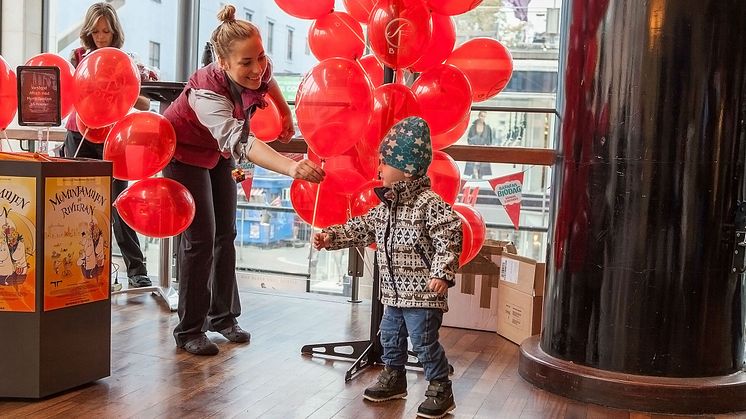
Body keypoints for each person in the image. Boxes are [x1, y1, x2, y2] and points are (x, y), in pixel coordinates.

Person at [162, 5, 324, 356]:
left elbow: (268, 80)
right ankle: (189, 329)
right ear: (223, 63)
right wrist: (291, 168)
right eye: (245, 63)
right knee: (200, 239)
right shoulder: (205, 94)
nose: (256, 68)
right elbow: (244, 143)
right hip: (182, 153)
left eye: (260, 58)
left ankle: (223, 317)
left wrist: (284, 113)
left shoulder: (256, 65)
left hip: (214, 154)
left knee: (226, 234)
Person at [313, 116, 462, 419]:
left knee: (422, 342)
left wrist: (441, 273)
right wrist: (331, 236)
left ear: (406, 169)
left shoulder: (429, 204)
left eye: (383, 163)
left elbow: (450, 233)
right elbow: (361, 228)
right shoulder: (386, 208)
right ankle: (394, 377)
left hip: (422, 295)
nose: (378, 169)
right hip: (393, 294)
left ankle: (440, 388)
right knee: (389, 337)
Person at [62, 2, 157, 288]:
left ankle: (136, 270)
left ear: (115, 32)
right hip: (78, 136)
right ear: (88, 32)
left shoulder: (124, 60)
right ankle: (77, 267)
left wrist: (119, 89)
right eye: (96, 31)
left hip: (113, 139)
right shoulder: (76, 57)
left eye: (107, 31)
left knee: (119, 204)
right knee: (76, 204)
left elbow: (145, 102)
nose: (101, 36)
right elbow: (68, 97)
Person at [463, 111, 495, 179]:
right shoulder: (472, 127)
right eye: (481, 116)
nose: (482, 118)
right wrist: (474, 141)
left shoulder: (487, 127)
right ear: (478, 116)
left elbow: (489, 140)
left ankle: (480, 175)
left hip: (483, 149)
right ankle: (474, 175)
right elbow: (469, 139)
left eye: (484, 116)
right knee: (473, 163)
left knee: (482, 164)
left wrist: (487, 148)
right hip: (474, 149)